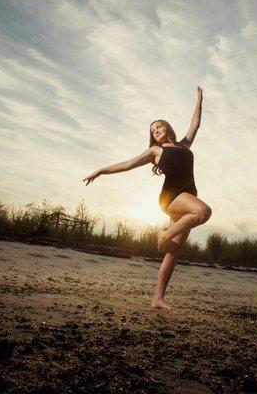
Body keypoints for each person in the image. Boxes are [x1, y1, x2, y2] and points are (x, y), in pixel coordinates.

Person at [83, 86, 212, 311]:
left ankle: (158, 299)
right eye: (153, 130)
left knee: (173, 252)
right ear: (152, 137)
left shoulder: (183, 145)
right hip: (172, 198)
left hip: (188, 197)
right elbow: (127, 164)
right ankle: (163, 236)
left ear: (168, 128)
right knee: (203, 212)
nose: (157, 130)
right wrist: (102, 170)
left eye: (160, 126)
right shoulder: (155, 152)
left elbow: (195, 125)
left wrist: (199, 100)